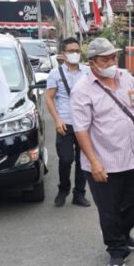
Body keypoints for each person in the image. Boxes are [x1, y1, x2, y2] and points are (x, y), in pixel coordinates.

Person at [71, 37, 134, 266]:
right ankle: (116, 248)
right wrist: (94, 162)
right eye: (105, 59)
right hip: (104, 159)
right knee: (109, 207)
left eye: (113, 56)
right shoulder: (82, 90)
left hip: (133, 154)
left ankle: (122, 232)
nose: (112, 62)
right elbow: (81, 129)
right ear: (92, 62)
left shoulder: (125, 77)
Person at [45, 38, 90, 208]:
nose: (75, 54)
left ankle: (79, 194)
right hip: (65, 123)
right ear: (63, 54)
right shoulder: (55, 74)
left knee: (83, 160)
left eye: (77, 51)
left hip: (84, 123)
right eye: (71, 51)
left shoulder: (87, 72)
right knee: (65, 159)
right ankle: (63, 190)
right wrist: (57, 120)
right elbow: (49, 98)